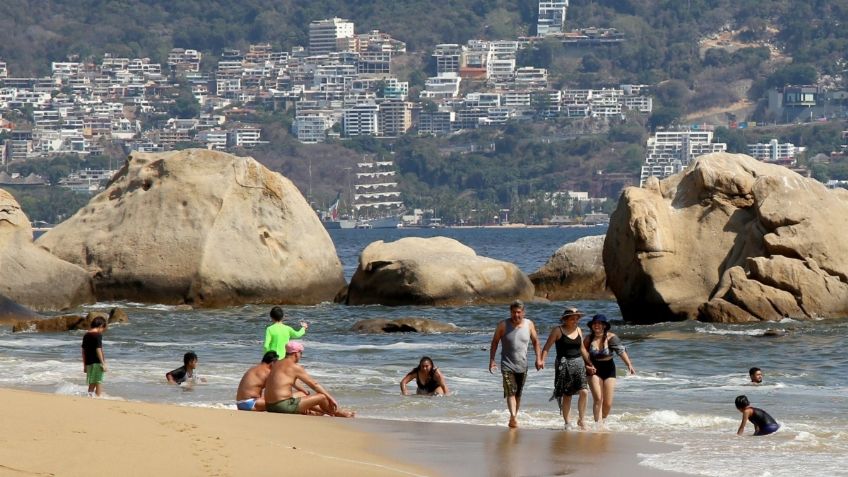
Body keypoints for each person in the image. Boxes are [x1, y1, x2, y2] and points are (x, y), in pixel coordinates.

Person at [488, 300, 543, 428]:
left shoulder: (529, 324)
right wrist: (492, 360)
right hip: (507, 365)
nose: (516, 315)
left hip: (522, 365)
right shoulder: (503, 325)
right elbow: (495, 342)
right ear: (510, 312)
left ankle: (513, 418)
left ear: (523, 312)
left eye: (519, 312)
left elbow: (536, 342)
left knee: (518, 394)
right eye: (513, 312)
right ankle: (513, 417)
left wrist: (538, 358)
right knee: (511, 392)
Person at [264, 341, 354, 417]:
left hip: (269, 406)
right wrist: (330, 398)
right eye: (301, 353)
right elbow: (314, 385)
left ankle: (319, 411)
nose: (301, 356)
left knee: (302, 394)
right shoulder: (294, 367)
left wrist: (304, 392)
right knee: (322, 397)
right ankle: (337, 413)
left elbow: (285, 382)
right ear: (296, 354)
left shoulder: (277, 364)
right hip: (282, 407)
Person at [541, 307, 595, 430]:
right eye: (572, 319)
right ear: (565, 319)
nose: (575, 321)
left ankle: (581, 420)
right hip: (564, 365)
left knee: (584, 392)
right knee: (567, 395)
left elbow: (582, 349)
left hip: (579, 364)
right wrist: (541, 360)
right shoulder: (557, 330)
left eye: (577, 319)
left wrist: (590, 363)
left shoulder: (579, 330)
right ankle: (567, 422)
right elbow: (547, 347)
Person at [583, 314, 636, 428]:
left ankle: (602, 420)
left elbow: (621, 351)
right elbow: (582, 353)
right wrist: (586, 366)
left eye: (599, 323)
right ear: (592, 326)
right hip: (593, 369)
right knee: (598, 398)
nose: (596, 325)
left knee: (607, 403)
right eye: (595, 323)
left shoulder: (611, 337)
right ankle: (598, 424)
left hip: (609, 369)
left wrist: (629, 365)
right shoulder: (588, 338)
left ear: (604, 326)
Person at [81, 316, 108, 397]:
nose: (103, 330)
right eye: (103, 328)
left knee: (92, 382)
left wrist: (85, 365)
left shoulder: (86, 335)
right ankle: (98, 398)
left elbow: (83, 351)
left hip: (89, 362)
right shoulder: (98, 335)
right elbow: (98, 349)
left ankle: (90, 397)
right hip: (97, 362)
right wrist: (103, 363)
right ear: (100, 326)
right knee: (99, 381)